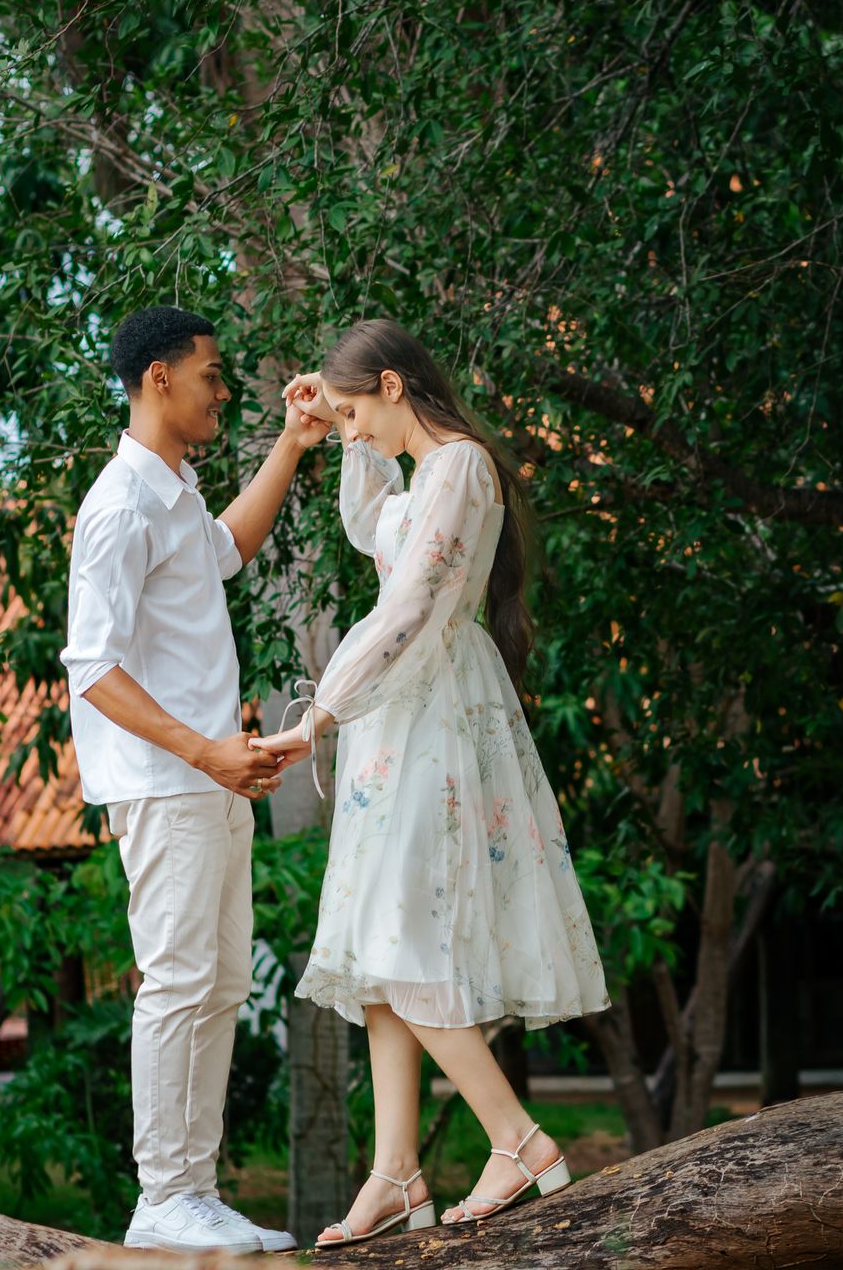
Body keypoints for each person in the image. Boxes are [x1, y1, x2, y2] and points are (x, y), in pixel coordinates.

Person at [253, 319, 611, 1247]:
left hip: (430, 714)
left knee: (404, 937)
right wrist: (329, 426)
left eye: (358, 411)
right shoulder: (426, 475)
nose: (355, 431)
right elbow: (375, 530)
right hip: (400, 715)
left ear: (396, 386)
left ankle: (520, 1140)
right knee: (377, 954)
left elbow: (410, 602)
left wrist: (321, 710)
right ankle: (394, 1173)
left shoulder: (458, 467)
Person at [60, 306, 328, 1255]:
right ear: (160, 379)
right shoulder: (119, 505)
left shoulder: (171, 492)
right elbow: (90, 666)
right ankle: (162, 1196)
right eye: (212, 375)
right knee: (179, 982)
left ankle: (192, 1192)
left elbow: (229, 549)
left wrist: (293, 446)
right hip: (170, 782)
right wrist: (205, 751)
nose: (224, 391)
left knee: (218, 986)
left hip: (211, 779)